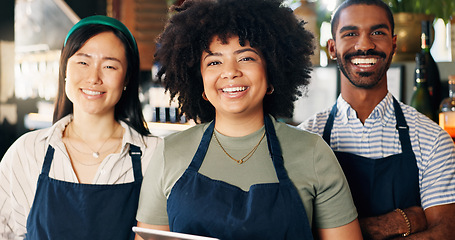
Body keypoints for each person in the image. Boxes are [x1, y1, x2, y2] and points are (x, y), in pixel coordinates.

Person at [135, 0, 363, 239]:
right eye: (214, 62)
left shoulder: (314, 154)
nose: (230, 71)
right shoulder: (168, 154)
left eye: (246, 58)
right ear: (199, 82)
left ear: (272, 71)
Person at [298, 0, 455, 239]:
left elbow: (445, 232)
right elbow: (296, 231)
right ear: (332, 48)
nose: (364, 44)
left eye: (377, 32)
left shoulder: (433, 140)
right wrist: (398, 222)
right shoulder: (305, 138)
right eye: (351, 33)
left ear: (393, 44)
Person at [0, 15, 160, 239]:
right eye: (83, 62)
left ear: (126, 79)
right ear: (65, 69)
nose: (93, 77)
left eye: (109, 66)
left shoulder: (154, 156)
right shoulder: (27, 153)